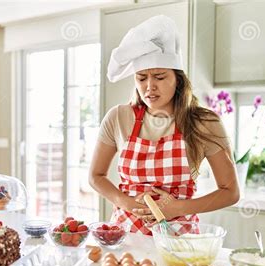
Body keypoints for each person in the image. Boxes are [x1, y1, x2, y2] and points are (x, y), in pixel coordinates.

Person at [89, 15, 239, 235]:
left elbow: (231, 191)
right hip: (127, 235)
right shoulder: (118, 117)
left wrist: (177, 208)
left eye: (159, 77)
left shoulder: (204, 122)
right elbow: (95, 176)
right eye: (141, 78)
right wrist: (127, 202)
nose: (150, 87)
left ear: (177, 78)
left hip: (179, 236)